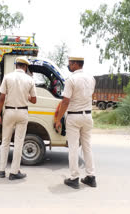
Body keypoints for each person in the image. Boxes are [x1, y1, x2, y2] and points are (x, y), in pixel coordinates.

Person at [55, 56, 96, 189]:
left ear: (75, 64)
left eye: (70, 64)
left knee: (73, 148)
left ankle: (74, 178)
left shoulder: (71, 79)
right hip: (88, 116)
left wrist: (58, 119)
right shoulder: (91, 78)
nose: (68, 66)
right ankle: (91, 176)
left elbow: (65, 101)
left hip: (74, 117)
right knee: (87, 147)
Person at [0, 56, 37, 180]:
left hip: (9, 112)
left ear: (16, 65)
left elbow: (2, 98)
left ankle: (2, 170)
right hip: (22, 113)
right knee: (18, 142)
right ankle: (14, 172)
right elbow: (34, 100)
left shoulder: (7, 77)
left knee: (5, 141)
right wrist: (26, 96)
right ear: (25, 67)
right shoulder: (29, 80)